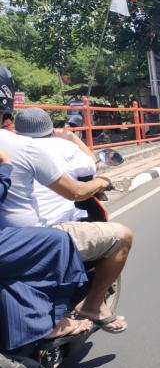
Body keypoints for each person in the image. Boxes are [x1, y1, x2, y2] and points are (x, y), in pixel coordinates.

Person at [0, 110, 132, 333]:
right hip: (39, 235)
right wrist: (100, 180)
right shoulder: (40, 148)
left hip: (10, 235)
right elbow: (79, 189)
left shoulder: (10, 144)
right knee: (123, 236)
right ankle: (92, 305)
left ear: (15, 127)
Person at [0, 149, 92, 351]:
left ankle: (24, 327)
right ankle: (56, 320)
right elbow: (77, 187)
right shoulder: (28, 148)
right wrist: (5, 167)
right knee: (58, 242)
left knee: (10, 271)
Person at [14, 108, 97, 226]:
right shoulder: (64, 146)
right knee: (122, 235)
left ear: (16, 132)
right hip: (64, 222)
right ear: (52, 130)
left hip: (22, 229)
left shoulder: (10, 151)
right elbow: (93, 165)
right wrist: (71, 136)